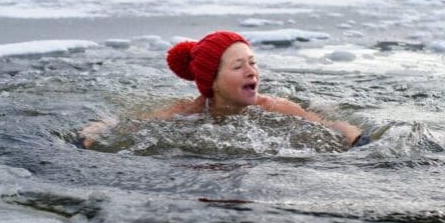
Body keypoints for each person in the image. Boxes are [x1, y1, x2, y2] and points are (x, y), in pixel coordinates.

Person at [79, 30, 367, 149]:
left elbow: (330, 126)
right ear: (212, 81)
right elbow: (133, 126)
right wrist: (98, 130)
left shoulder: (275, 107)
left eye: (252, 63)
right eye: (238, 66)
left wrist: (355, 139)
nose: (251, 71)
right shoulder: (188, 111)